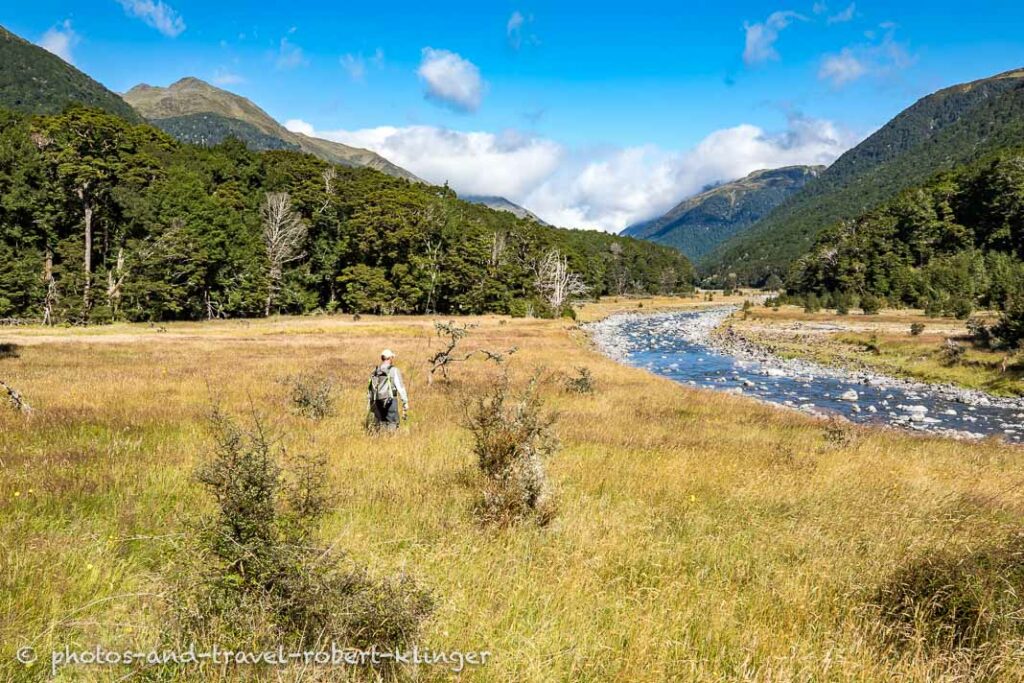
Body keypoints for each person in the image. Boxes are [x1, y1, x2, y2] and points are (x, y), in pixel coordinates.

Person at [366, 349, 409, 431]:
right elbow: (401, 388)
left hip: (376, 401)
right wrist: (405, 402)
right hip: (390, 400)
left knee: (379, 425)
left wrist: (369, 404)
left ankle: (380, 441)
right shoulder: (394, 370)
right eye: (392, 357)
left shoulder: (375, 371)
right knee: (392, 423)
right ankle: (390, 441)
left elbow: (370, 389)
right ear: (390, 358)